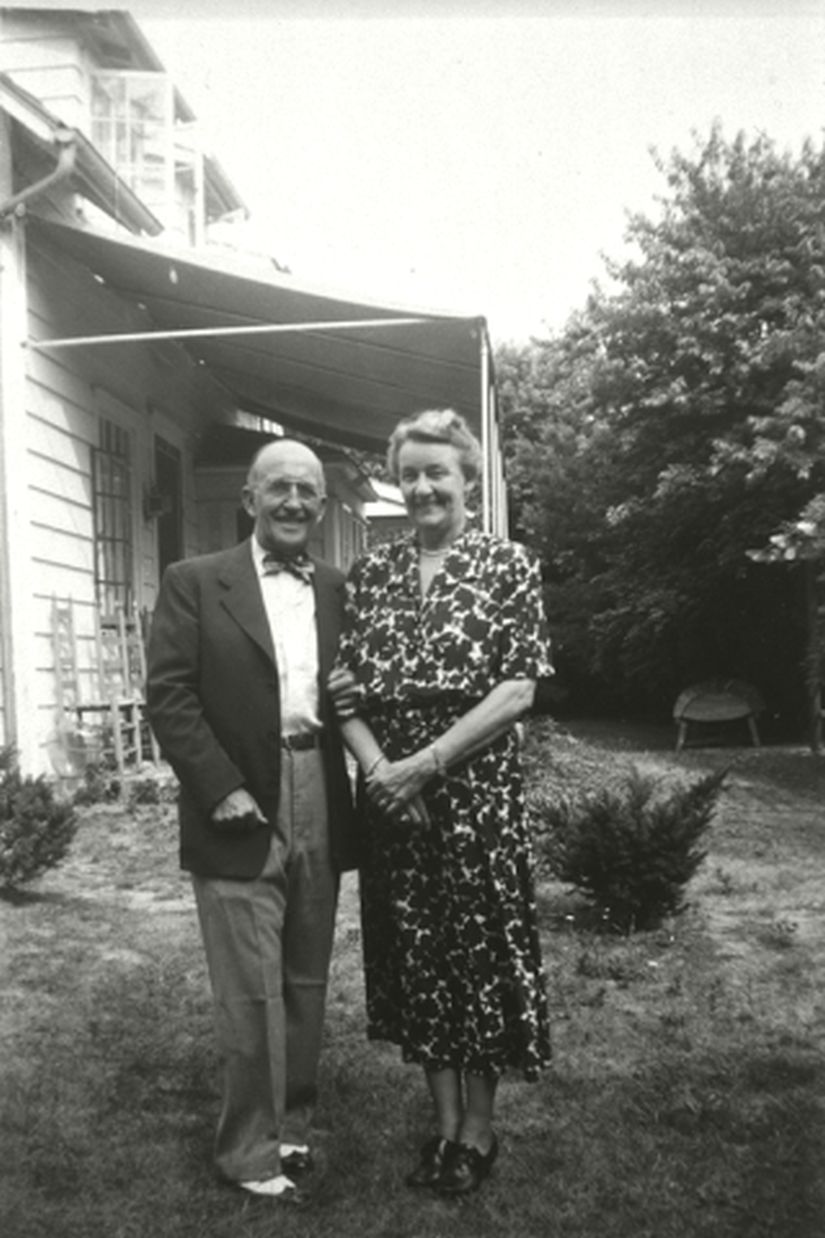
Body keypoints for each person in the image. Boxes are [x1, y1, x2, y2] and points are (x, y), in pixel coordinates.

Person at [329, 408, 553, 1196]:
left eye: (437, 472)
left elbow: (517, 689)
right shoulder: (371, 574)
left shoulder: (506, 565)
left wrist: (423, 766)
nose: (422, 486)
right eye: (409, 474)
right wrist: (383, 774)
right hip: (394, 797)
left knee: (476, 954)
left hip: (472, 794)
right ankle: (443, 1123)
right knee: (418, 955)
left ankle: (478, 1130)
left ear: (467, 481)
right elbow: (341, 695)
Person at [146, 438, 357, 1207]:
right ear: (249, 499)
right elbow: (169, 696)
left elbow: (355, 691)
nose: (293, 501)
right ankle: (245, 1150)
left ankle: (291, 1126)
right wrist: (219, 787)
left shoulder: (338, 588)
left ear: (322, 505)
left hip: (319, 788)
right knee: (248, 987)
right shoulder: (194, 582)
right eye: (278, 488)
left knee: (305, 974)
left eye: (307, 490)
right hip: (238, 800)